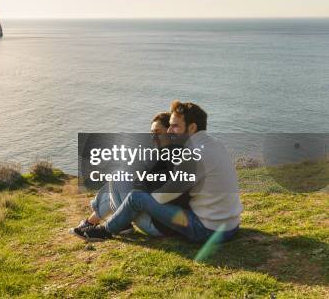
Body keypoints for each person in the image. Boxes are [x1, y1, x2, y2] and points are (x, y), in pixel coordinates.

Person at [73, 101, 243, 243]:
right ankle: (105, 222)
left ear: (192, 128)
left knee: (134, 196)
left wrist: (140, 196)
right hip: (231, 225)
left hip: (207, 231)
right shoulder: (216, 145)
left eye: (175, 126)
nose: (169, 131)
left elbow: (163, 197)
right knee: (124, 183)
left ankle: (104, 230)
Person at [72, 112, 189, 240]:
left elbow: (152, 194)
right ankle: (91, 222)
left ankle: (116, 224)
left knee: (119, 177)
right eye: (151, 133)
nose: (153, 137)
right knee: (118, 181)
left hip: (161, 226)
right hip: (164, 220)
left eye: (158, 132)